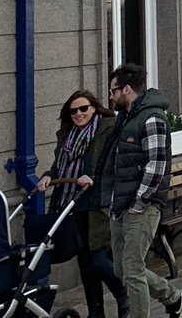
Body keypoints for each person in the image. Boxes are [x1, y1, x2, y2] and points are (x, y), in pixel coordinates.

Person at [99, 63, 182, 318]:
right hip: (121, 205)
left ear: (127, 89)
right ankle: (173, 297)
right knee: (121, 269)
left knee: (133, 269)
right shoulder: (125, 117)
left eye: (113, 91)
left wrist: (139, 202)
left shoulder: (152, 119)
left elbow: (156, 166)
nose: (111, 96)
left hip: (142, 207)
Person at [37, 90, 128, 318]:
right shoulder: (68, 135)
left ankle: (123, 296)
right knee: (85, 262)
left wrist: (94, 179)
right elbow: (60, 166)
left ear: (94, 108)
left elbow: (115, 164)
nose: (79, 114)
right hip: (71, 203)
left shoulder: (108, 128)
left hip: (98, 203)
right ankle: (96, 311)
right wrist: (49, 175)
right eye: (74, 111)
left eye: (83, 109)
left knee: (98, 258)